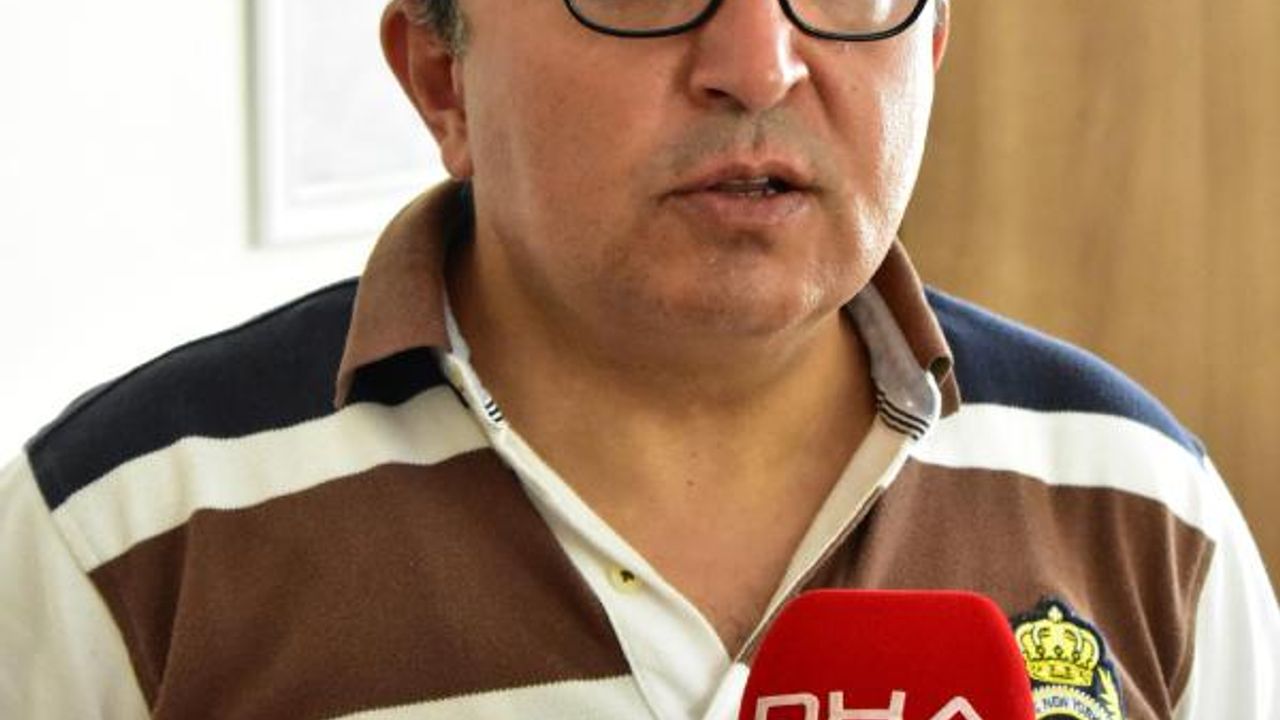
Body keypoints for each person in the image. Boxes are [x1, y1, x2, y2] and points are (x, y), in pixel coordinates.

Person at [2, 0, 1276, 717]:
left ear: (930, 47)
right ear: (442, 77)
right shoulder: (119, 538)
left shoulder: (1142, 507)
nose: (758, 65)